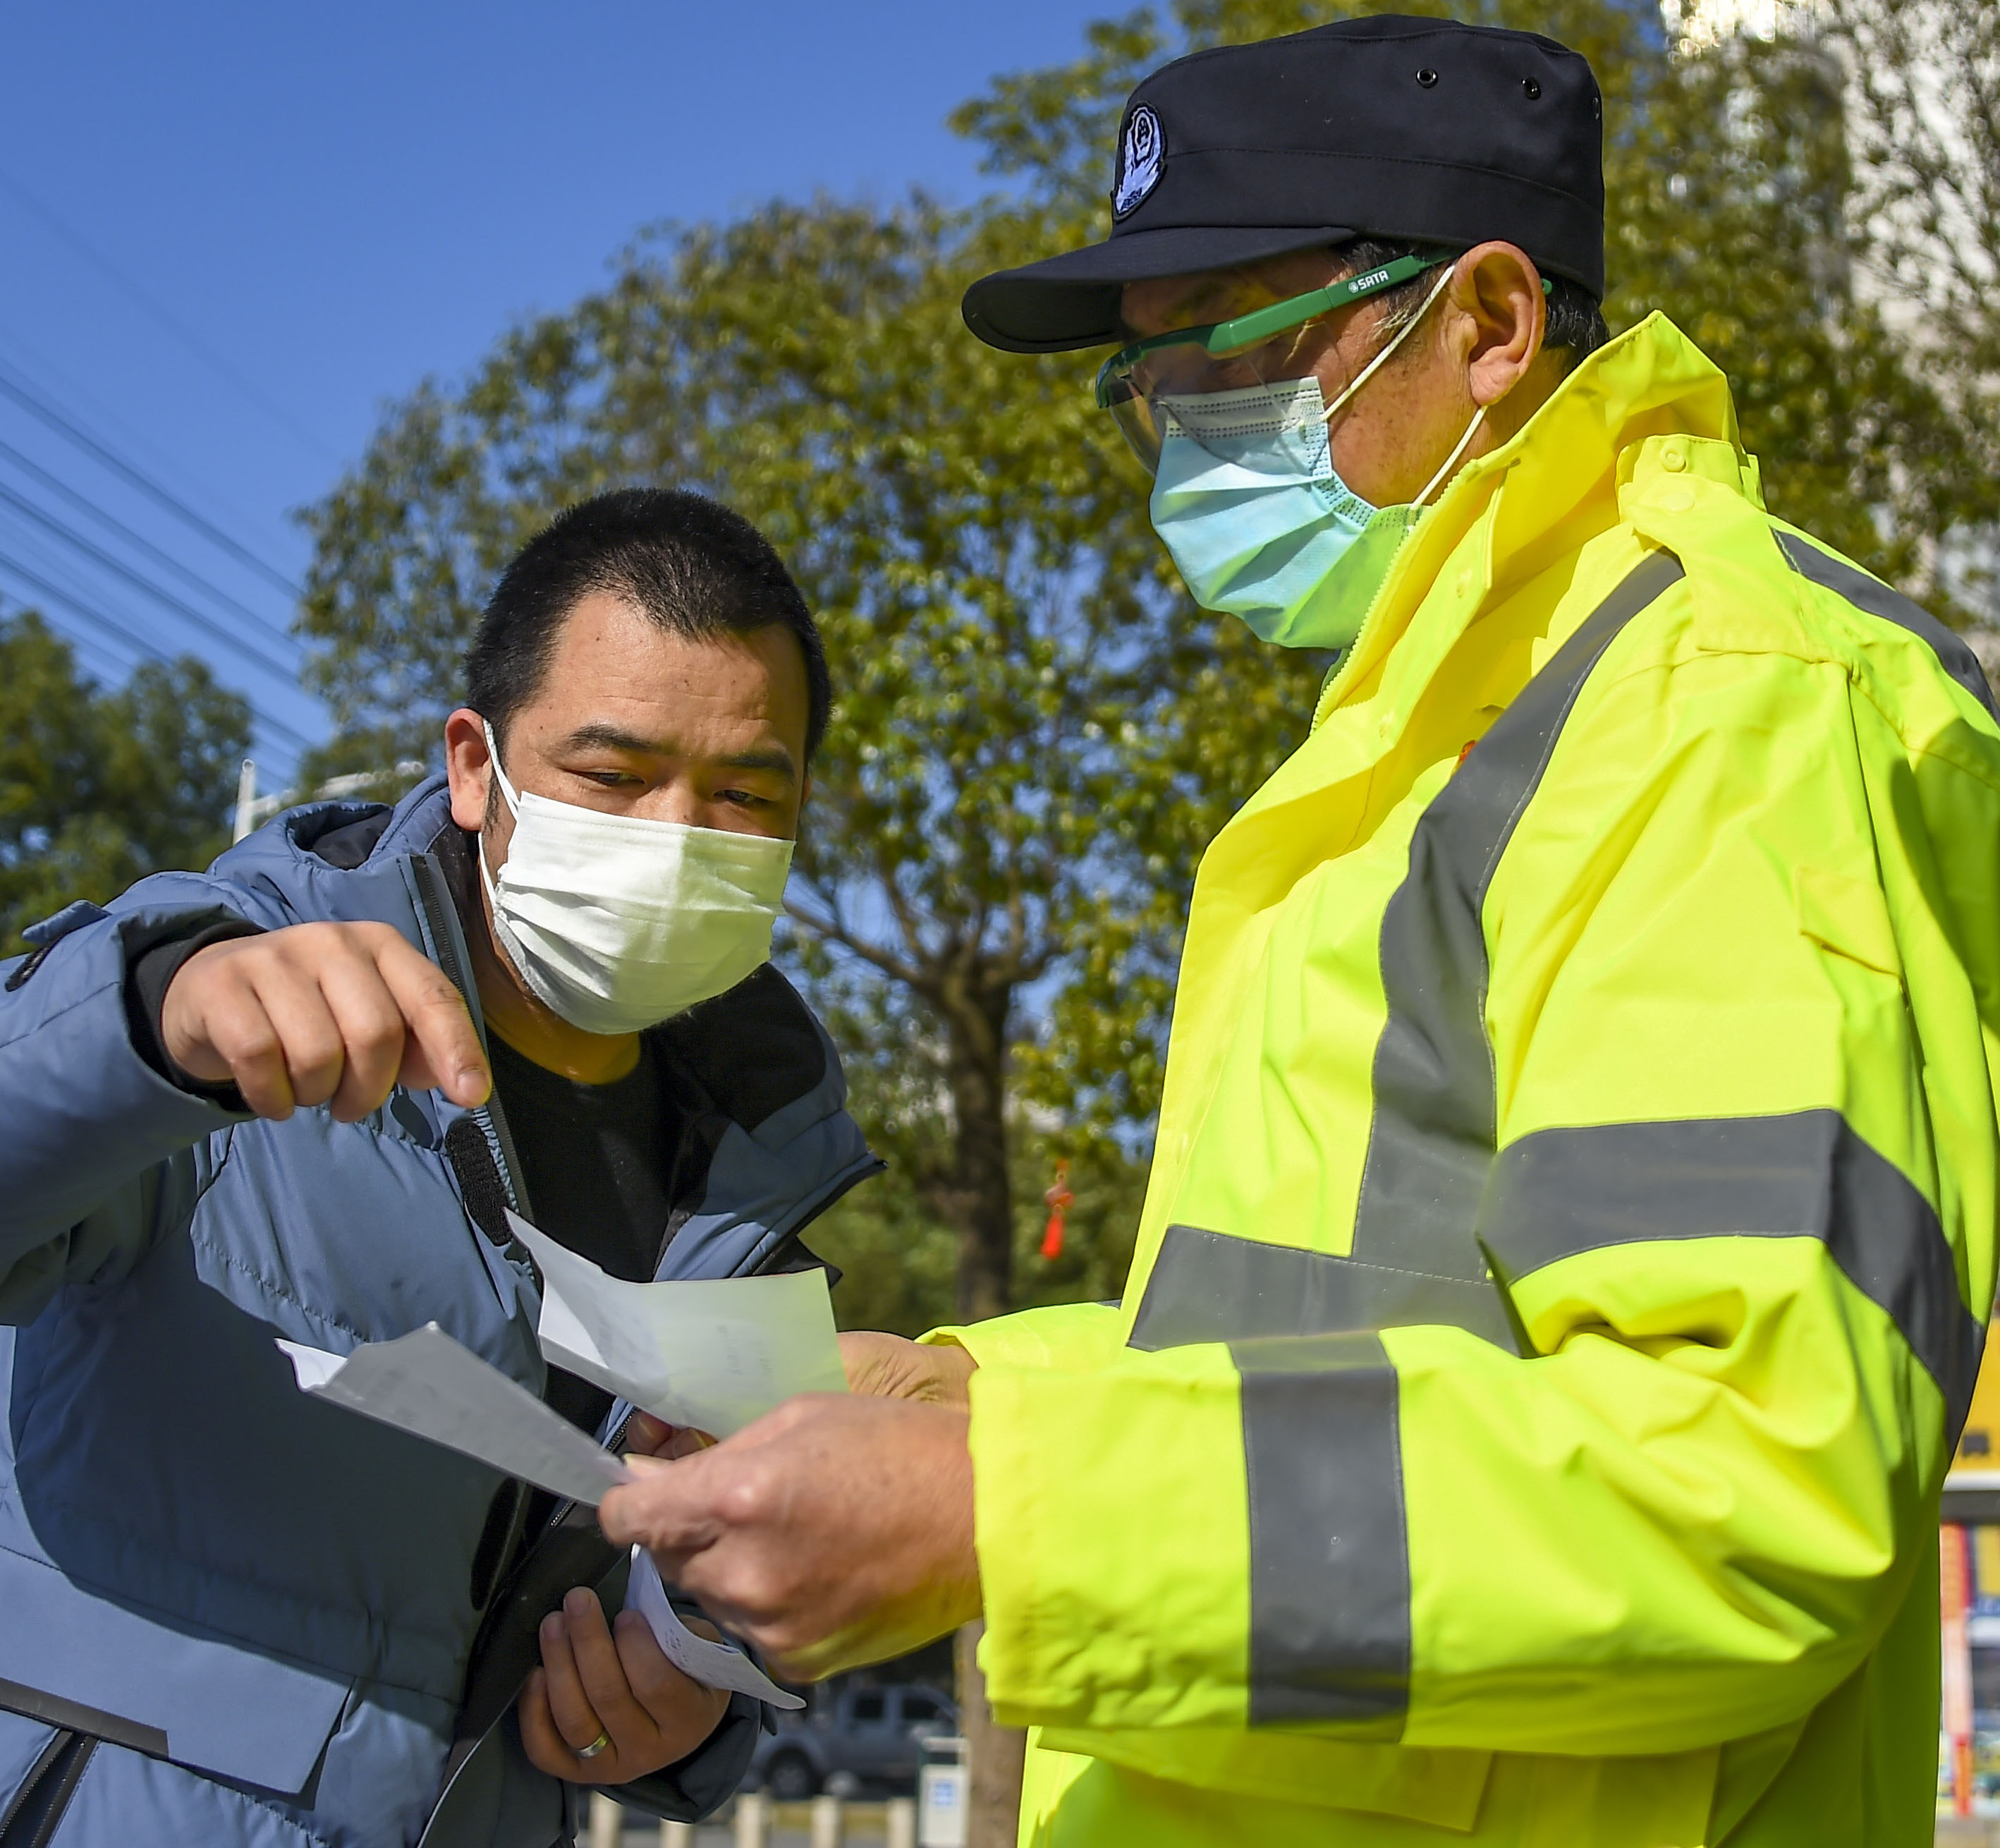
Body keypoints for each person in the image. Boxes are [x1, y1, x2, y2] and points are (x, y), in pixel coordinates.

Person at [602, 17, 2000, 1846]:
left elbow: (1737, 1475)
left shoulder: (1715, 713)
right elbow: (1350, 1344)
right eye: (1145, 382)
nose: (1173, 429)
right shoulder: (1433, 735)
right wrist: (962, 1395)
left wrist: (1007, 1509)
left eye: (1229, 351)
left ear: (1489, 325)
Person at [0, 488, 877, 1848]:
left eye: (745, 791)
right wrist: (141, 1025)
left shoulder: (756, 1169)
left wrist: (697, 1706)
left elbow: (700, 1593)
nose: (676, 840)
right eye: (613, 777)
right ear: (473, 767)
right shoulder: (221, 978)